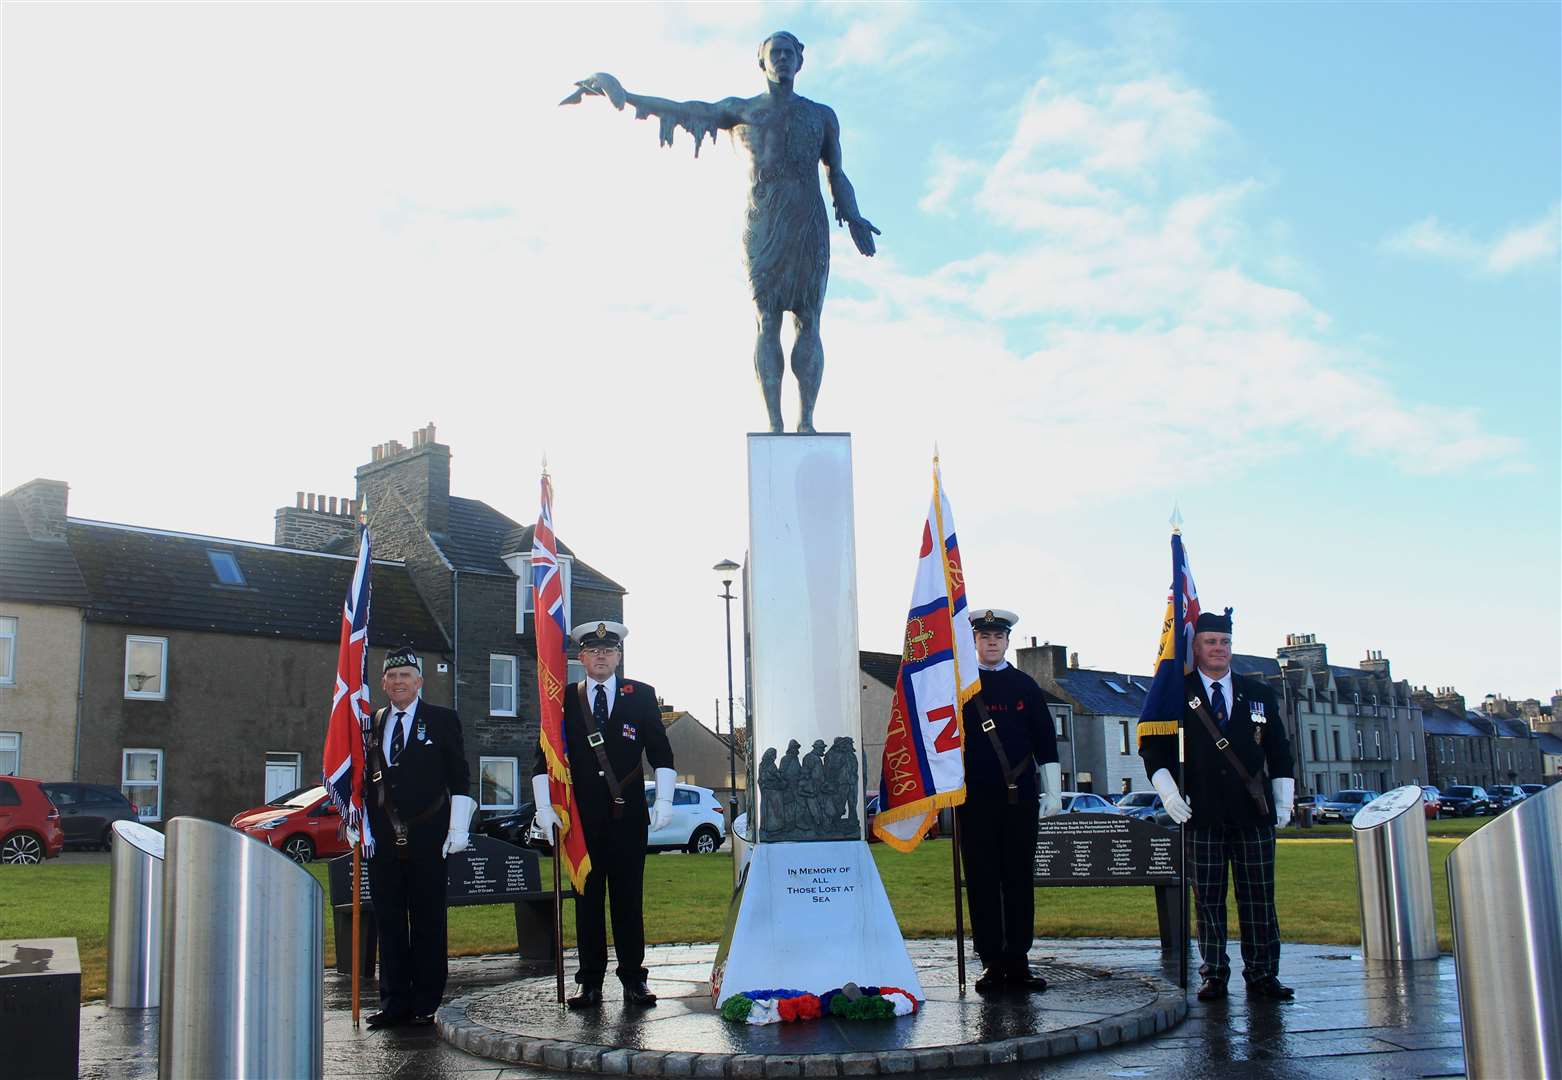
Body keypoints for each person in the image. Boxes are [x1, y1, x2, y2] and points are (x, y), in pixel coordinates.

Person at [561, 31, 879, 434]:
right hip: (764, 222)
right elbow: (686, 109)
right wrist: (624, 93)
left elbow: (836, 171)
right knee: (767, 319)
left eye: (788, 53)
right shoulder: (742, 111)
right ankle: (776, 424)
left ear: (800, 60)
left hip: (808, 224)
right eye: (774, 54)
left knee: (810, 320)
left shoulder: (821, 116)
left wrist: (852, 215)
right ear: (761, 62)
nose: (781, 59)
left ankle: (807, 422)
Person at [1141, 609, 1296, 1002]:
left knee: (1259, 898)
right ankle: (1214, 973)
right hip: (1203, 814)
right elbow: (1152, 749)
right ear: (1195, 646)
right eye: (1210, 641)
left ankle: (1263, 973)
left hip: (1252, 813)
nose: (1219, 649)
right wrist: (1170, 794)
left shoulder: (1257, 693)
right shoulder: (1177, 693)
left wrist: (1284, 799)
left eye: (1225, 642)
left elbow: (1279, 749)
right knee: (1208, 900)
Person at [532, 621, 675, 1010]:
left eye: (608, 651)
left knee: (628, 900)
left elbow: (661, 752)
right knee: (587, 901)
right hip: (582, 819)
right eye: (593, 652)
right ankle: (589, 982)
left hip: (629, 817)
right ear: (581, 658)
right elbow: (543, 757)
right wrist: (544, 808)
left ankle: (634, 980)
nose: (601, 657)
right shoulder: (563, 699)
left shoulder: (641, 696)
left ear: (619, 656)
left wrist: (663, 801)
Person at [361, 647, 475, 1029]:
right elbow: (359, 779)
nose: (398, 683)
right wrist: (355, 820)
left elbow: (459, 777)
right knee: (389, 922)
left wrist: (458, 827)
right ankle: (394, 1003)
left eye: (405, 676)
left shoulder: (442, 720)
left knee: (427, 921)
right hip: (382, 840)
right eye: (392, 678)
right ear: (383, 683)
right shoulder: (370, 723)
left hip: (428, 836)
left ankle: (427, 1002)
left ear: (419, 681)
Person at [958, 608, 1063, 993]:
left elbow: (1045, 740)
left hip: (1019, 797)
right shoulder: (960, 687)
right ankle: (991, 963)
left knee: (1017, 879)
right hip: (974, 799)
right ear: (973, 641)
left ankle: (1018, 960)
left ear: (1007, 641)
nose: (991, 642)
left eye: (997, 637)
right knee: (983, 880)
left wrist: (1052, 791)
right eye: (984, 637)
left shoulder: (1024, 686)